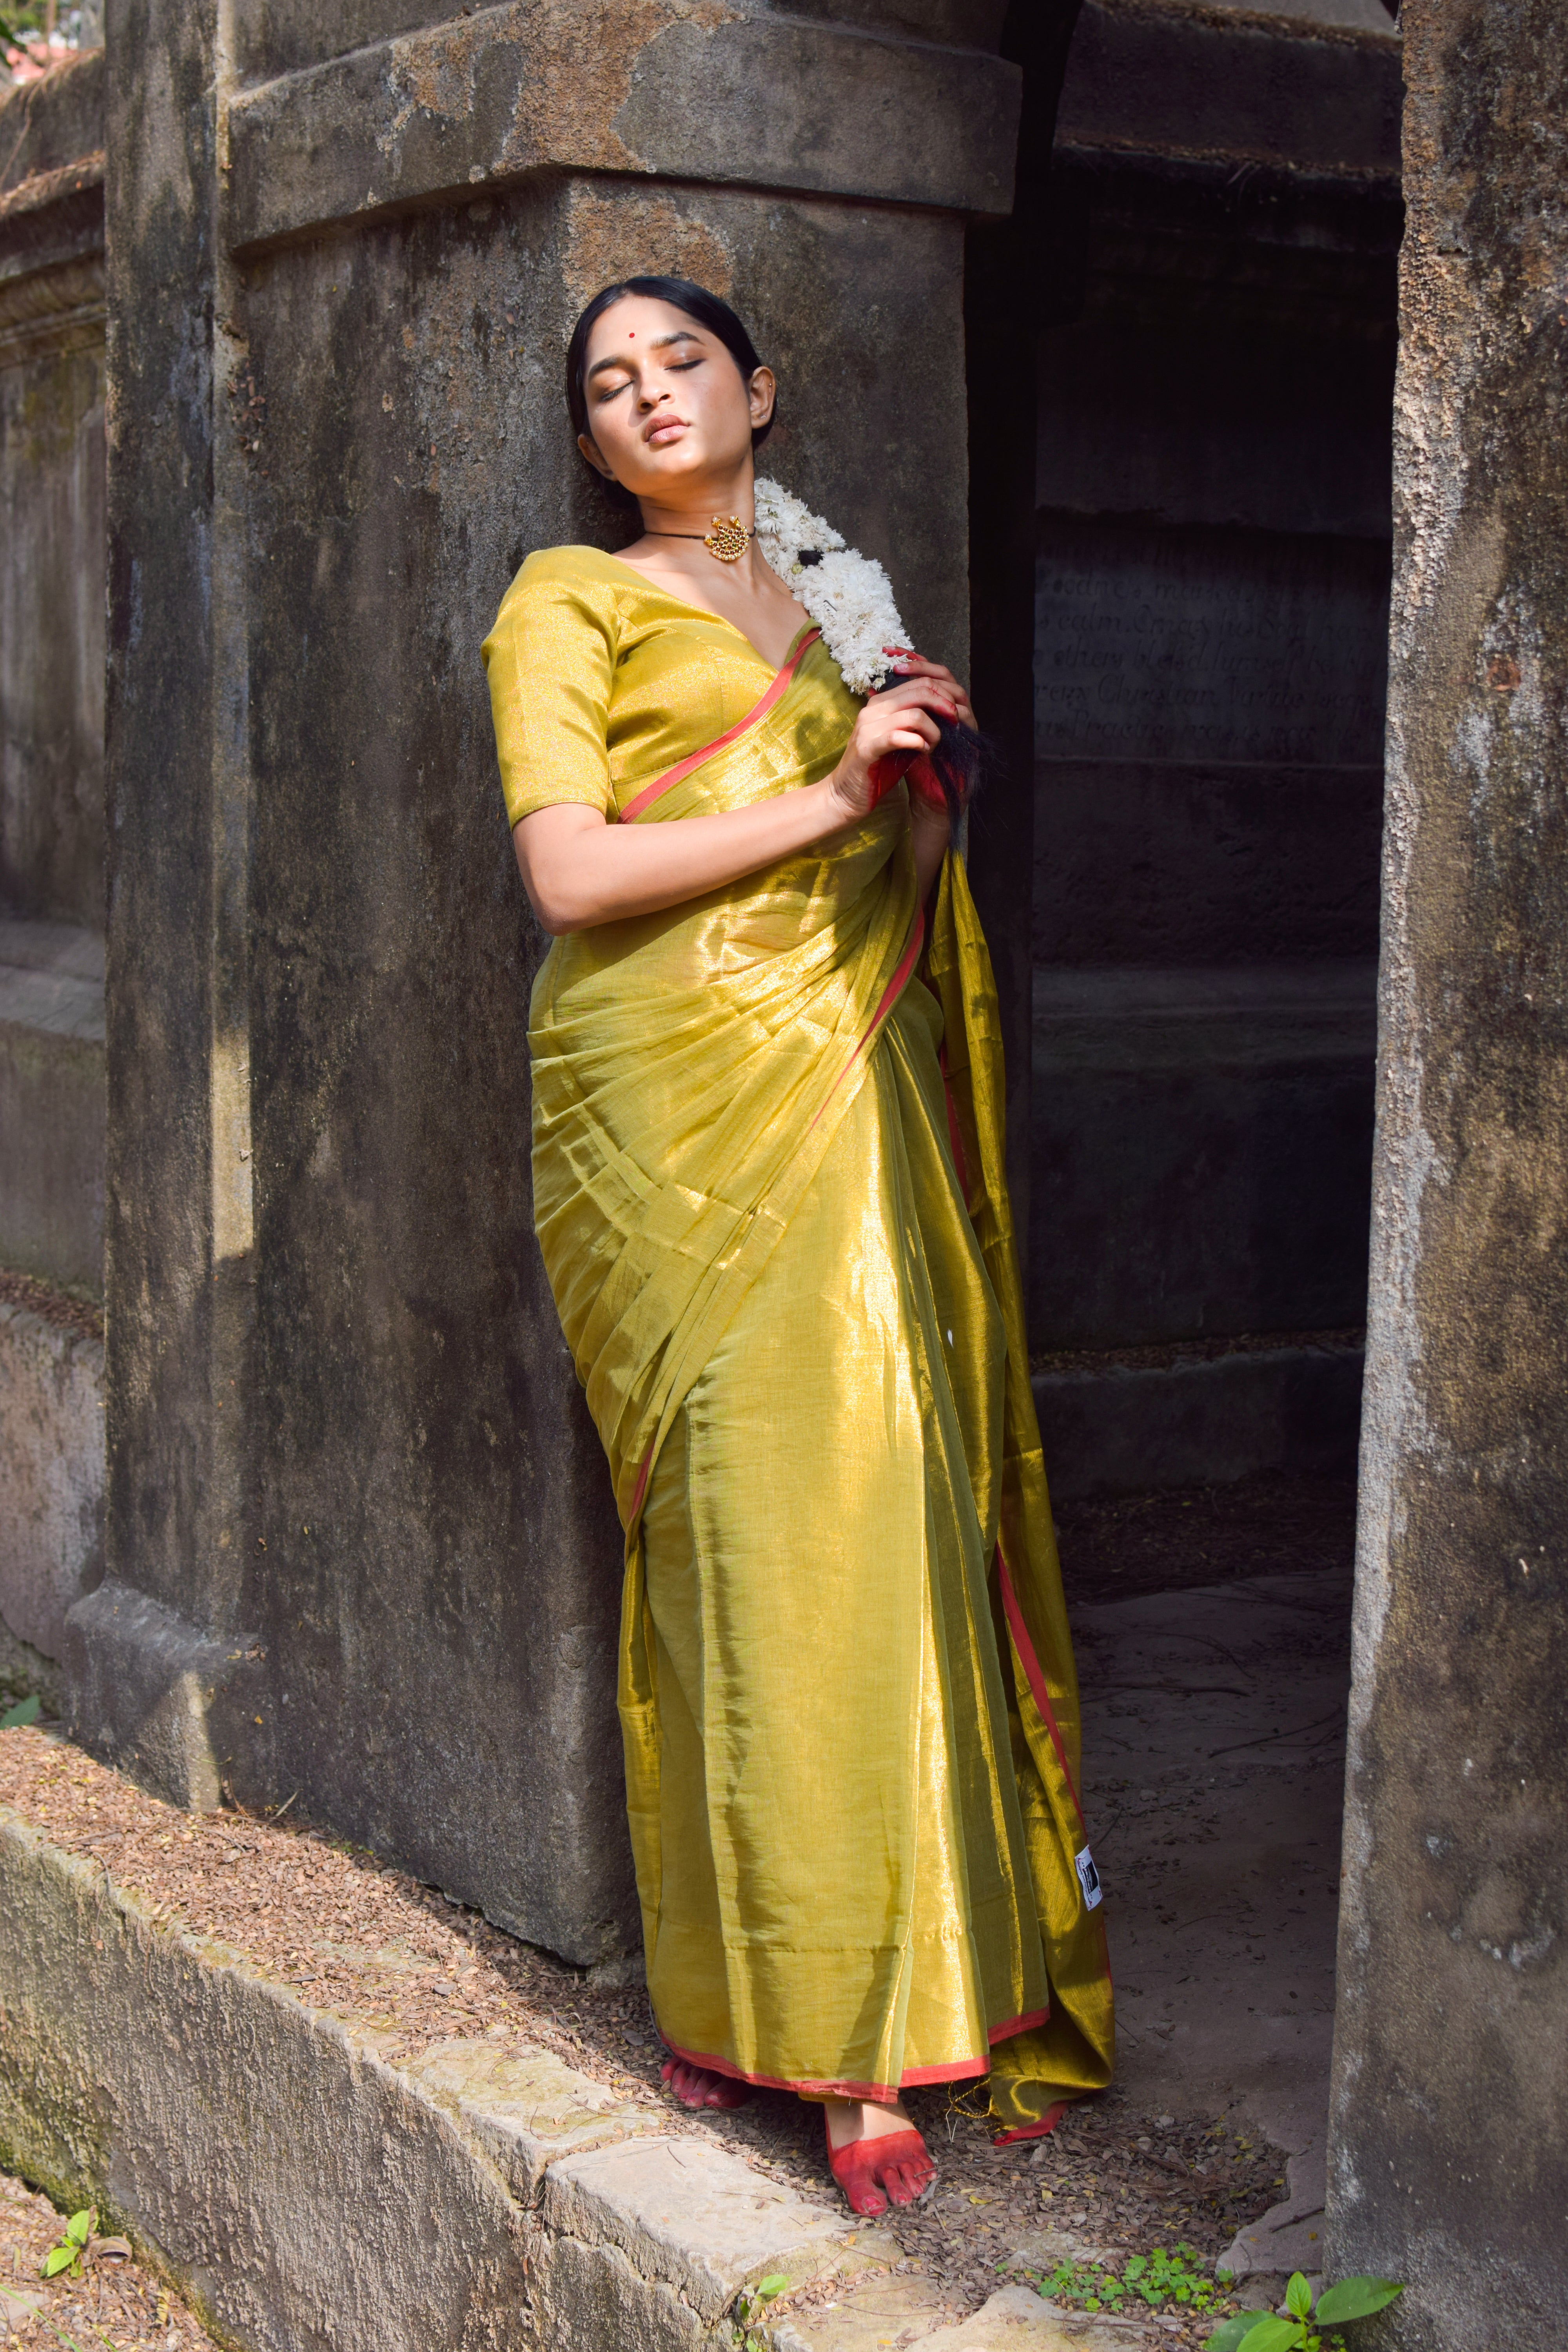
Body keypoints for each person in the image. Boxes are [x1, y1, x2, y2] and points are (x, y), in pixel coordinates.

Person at [482, 276, 1113, 2216]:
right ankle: (814, 2029)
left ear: (758, 387)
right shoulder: (563, 601)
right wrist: (829, 790)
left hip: (856, 1080)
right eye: (610, 383)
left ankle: (945, 1971)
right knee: (759, 1538)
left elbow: (893, 875)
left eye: (681, 361)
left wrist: (915, 797)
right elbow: (571, 872)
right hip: (671, 1113)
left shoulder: (848, 606)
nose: (649, 395)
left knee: (895, 1520)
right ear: (591, 444)